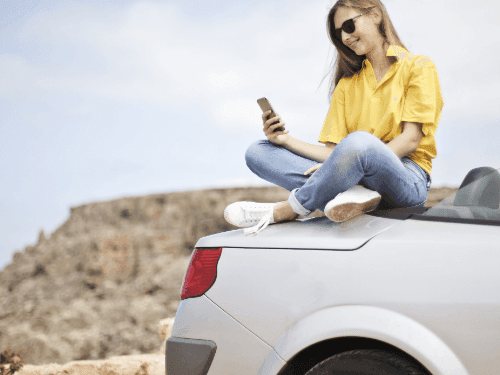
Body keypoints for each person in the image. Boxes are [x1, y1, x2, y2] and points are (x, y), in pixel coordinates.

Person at [224, 0, 444, 235]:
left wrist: (348, 167)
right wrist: (285, 141)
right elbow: (333, 153)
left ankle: (289, 209)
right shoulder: (346, 86)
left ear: (376, 15)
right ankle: (352, 195)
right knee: (258, 152)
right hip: (353, 175)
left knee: (360, 143)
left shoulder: (418, 67)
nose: (345, 37)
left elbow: (411, 139)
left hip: (406, 178)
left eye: (348, 26)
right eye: (339, 34)